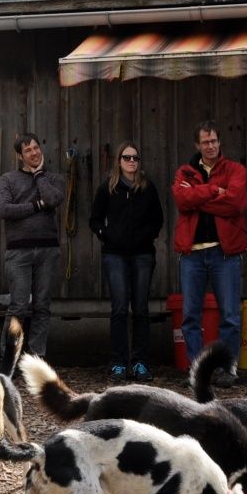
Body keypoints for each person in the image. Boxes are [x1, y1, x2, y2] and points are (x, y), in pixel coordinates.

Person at [174, 121, 247, 386]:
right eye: (206, 142)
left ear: (220, 142)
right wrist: (215, 191)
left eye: (214, 141)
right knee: (191, 316)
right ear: (198, 145)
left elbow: (235, 203)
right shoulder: (185, 171)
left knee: (229, 316)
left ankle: (227, 369)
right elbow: (182, 201)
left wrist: (198, 197)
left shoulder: (235, 170)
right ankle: (198, 371)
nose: (211, 146)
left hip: (224, 254)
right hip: (192, 255)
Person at [89, 141, 165, 379]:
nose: (132, 161)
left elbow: (158, 219)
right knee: (120, 309)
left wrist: (146, 236)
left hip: (142, 255)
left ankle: (141, 363)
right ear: (119, 161)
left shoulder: (147, 189)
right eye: (127, 157)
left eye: (135, 158)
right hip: (115, 255)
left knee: (141, 309)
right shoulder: (107, 189)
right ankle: (119, 363)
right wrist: (107, 235)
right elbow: (95, 219)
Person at [0, 133, 68, 366]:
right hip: (18, 251)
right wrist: (37, 205)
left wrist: (38, 175)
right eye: (28, 150)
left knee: (42, 306)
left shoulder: (53, 179)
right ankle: (9, 359)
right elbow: (6, 210)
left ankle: (36, 359)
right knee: (18, 305)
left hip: (48, 249)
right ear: (20, 156)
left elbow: (53, 199)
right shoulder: (7, 179)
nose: (34, 153)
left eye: (36, 148)